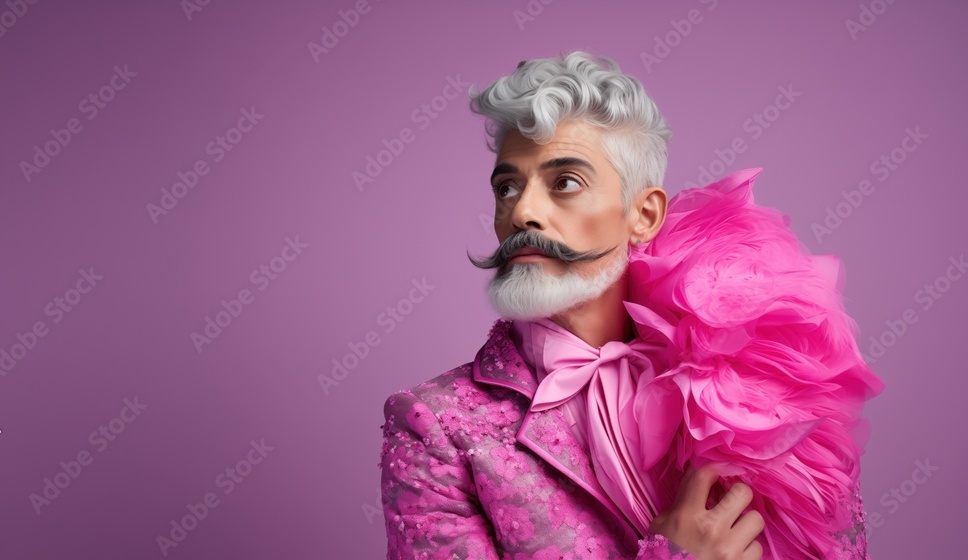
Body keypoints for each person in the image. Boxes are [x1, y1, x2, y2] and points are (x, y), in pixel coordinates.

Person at [378, 50, 884, 559]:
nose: (523, 212)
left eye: (565, 182)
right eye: (508, 187)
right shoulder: (435, 423)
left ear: (643, 215)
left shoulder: (754, 381)